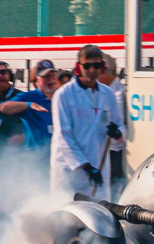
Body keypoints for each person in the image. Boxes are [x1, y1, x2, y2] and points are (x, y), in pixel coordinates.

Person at [50, 45, 124, 200]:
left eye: (96, 65)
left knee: (98, 215)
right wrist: (86, 166)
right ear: (78, 67)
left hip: (99, 166)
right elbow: (63, 136)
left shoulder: (108, 94)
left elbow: (120, 126)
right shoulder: (63, 95)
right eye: (87, 65)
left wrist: (117, 134)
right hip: (70, 170)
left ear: (102, 67)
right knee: (68, 216)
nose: (92, 70)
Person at [1, 61, 59, 166]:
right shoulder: (30, 96)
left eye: (52, 75)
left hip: (58, 159)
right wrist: (28, 105)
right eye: (45, 76)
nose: (50, 79)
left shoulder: (61, 97)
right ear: (36, 80)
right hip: (36, 160)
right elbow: (4, 107)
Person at [99, 53, 129, 197]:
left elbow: (115, 120)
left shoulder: (117, 92)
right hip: (102, 148)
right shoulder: (102, 89)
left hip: (113, 150)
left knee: (114, 187)